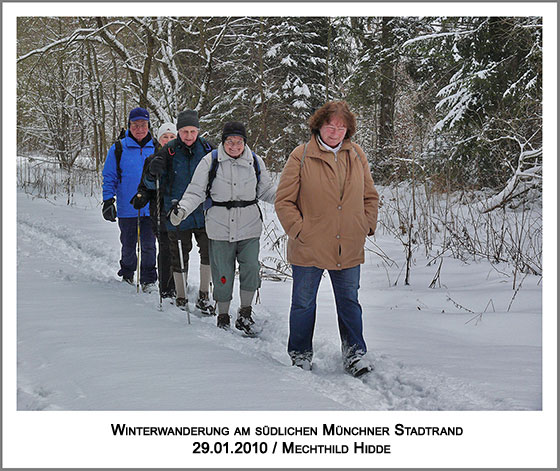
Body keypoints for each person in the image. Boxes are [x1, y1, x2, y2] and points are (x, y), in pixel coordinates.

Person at [274, 100, 379, 377]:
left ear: (348, 130)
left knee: (349, 302)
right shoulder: (302, 154)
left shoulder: (356, 154)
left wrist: (365, 225)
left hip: (348, 244)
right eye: (330, 126)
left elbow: (370, 196)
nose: (335, 131)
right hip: (309, 245)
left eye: (341, 127)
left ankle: (355, 354)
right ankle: (300, 353)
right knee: (303, 302)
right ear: (319, 125)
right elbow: (283, 200)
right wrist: (300, 231)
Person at [169, 121, 276, 334]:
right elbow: (195, 192)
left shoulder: (255, 161)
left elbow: (266, 191)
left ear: (244, 142)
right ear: (223, 141)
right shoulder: (210, 161)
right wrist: (182, 209)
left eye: (239, 142)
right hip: (219, 227)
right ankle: (223, 315)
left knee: (251, 270)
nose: (234, 146)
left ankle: (245, 313)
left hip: (249, 226)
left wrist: (289, 198)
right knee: (222, 273)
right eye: (230, 141)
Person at [143, 110, 215, 315]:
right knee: (179, 255)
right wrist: (152, 171)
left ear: (199, 131)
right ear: (179, 131)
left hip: (204, 212)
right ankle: (180, 296)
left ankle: (204, 295)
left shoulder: (209, 149)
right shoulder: (169, 151)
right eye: (184, 131)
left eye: (193, 131)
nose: (189, 136)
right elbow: (151, 184)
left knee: (208, 252)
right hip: (176, 212)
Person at [102, 107, 157, 291]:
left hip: (151, 208)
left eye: (143, 125)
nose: (140, 129)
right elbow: (109, 177)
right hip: (127, 207)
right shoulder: (118, 148)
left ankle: (148, 279)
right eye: (135, 125)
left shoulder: (156, 147)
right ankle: (127, 274)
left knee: (149, 245)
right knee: (128, 244)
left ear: (148, 126)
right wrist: (108, 200)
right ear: (129, 126)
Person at [131, 122, 177, 298]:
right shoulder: (151, 160)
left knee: (180, 250)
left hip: (181, 213)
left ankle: (180, 285)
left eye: (172, 137)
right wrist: (141, 196)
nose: (168, 140)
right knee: (165, 250)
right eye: (165, 137)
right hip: (159, 212)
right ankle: (166, 289)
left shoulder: (183, 159)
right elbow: (144, 185)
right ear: (159, 139)